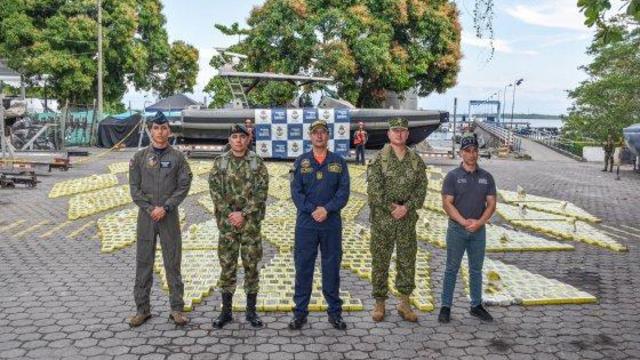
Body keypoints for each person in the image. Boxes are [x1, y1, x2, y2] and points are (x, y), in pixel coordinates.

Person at [128, 112, 193, 327]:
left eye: (164, 128)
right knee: (143, 263)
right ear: (150, 130)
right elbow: (134, 189)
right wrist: (150, 209)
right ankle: (142, 310)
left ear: (169, 131)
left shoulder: (178, 158)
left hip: (169, 216)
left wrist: (166, 207)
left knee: (172, 262)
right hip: (146, 218)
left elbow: (183, 185)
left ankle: (176, 309)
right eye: (156, 128)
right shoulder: (138, 158)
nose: (160, 132)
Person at [289, 119, 350, 330]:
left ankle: (335, 313)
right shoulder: (301, 162)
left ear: (328, 136)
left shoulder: (339, 162)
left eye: (323, 132)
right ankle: (300, 313)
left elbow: (343, 192)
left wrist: (327, 209)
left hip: (330, 223)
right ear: (310, 136)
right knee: (303, 268)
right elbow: (296, 192)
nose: (319, 136)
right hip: (306, 224)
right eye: (315, 132)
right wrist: (312, 209)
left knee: (331, 269)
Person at [208, 124, 269, 329]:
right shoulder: (220, 163)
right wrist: (231, 215)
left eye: (242, 137)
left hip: (250, 225)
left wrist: (242, 214)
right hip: (227, 226)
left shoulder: (257, 163)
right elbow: (215, 192)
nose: (238, 140)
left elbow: (261, 193)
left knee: (252, 267)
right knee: (227, 267)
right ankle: (226, 313)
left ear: (248, 139)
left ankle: (251, 312)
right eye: (234, 137)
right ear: (229, 140)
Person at [367, 118, 427, 322]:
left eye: (403, 131)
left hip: (406, 220)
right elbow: (374, 191)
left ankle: (404, 302)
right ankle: (379, 302)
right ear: (389, 134)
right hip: (383, 219)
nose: (399, 134)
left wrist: (406, 208)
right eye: (395, 130)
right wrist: (393, 208)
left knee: (407, 261)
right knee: (380, 261)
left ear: (408, 134)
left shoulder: (415, 160)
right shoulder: (379, 159)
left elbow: (421, 189)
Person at [438, 134, 496, 324]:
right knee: (451, 269)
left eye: (475, 151)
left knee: (476, 270)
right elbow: (447, 204)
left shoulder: (486, 177)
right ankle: (446, 306)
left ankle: (476, 305)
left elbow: (491, 205)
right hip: (457, 230)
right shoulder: (453, 176)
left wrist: (479, 223)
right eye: (468, 151)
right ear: (461, 153)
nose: (472, 154)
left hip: (478, 231)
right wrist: (463, 222)